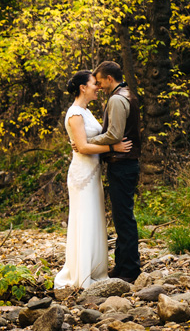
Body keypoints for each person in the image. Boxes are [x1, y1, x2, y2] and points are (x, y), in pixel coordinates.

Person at [55, 70, 131, 289]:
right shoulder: (75, 113)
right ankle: (81, 274)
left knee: (95, 219)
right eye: (93, 83)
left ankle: (96, 269)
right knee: (84, 219)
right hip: (82, 175)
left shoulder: (86, 111)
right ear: (83, 87)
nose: (97, 86)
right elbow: (83, 146)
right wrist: (113, 147)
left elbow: (88, 139)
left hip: (93, 172)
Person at [86, 61, 142, 283]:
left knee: (124, 218)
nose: (98, 86)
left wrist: (87, 141)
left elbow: (114, 135)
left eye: (99, 82)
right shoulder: (125, 94)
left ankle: (130, 269)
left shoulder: (118, 99)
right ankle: (121, 265)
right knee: (121, 217)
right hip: (124, 164)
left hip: (123, 164)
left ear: (110, 78)